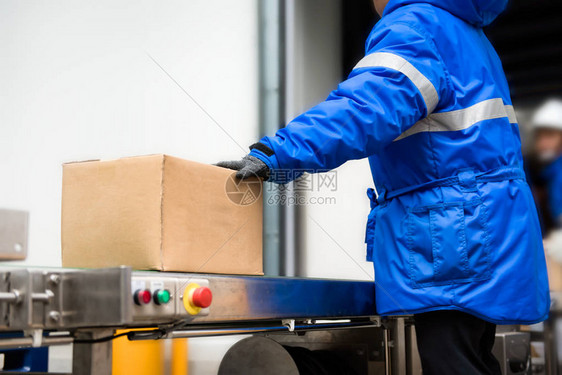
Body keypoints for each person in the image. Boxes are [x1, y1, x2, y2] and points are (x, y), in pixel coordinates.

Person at [218, 0, 550, 373]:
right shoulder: (465, 32)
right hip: (478, 227)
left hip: (454, 235)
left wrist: (277, 153)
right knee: (467, 355)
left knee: (453, 361)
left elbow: (365, 107)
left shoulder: (415, 24)